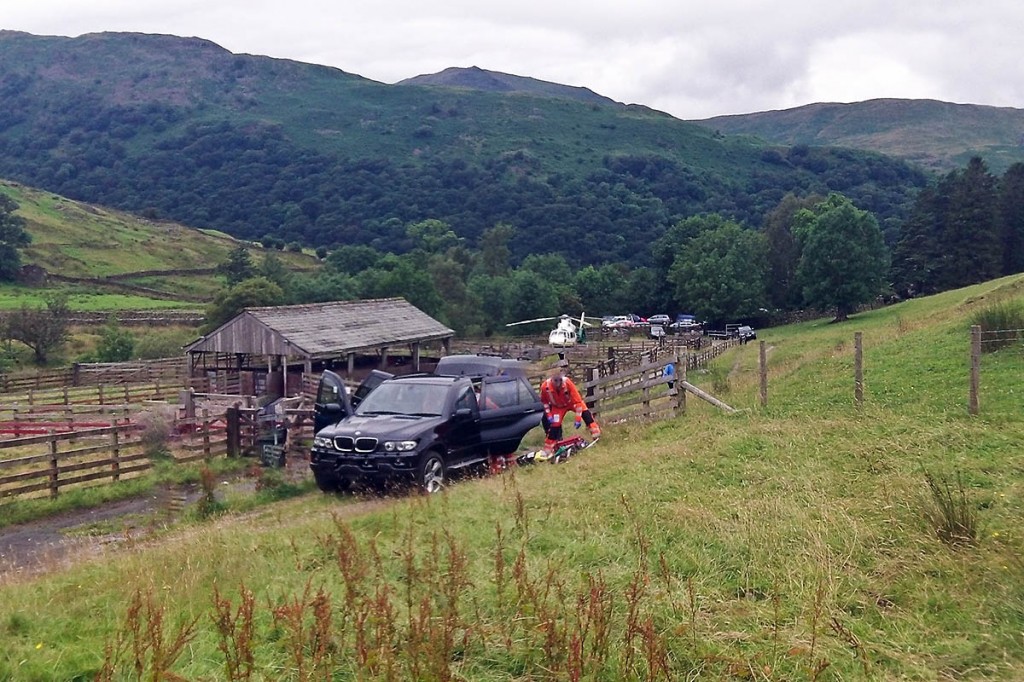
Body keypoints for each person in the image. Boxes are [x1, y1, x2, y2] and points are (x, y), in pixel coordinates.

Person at [537, 369, 600, 459]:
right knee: (555, 426)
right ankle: (548, 449)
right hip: (557, 407)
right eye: (556, 380)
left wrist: (578, 419)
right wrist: (549, 415)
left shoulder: (567, 383)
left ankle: (596, 435)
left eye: (560, 380)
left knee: (586, 414)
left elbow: (578, 402)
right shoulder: (545, 387)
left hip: (572, 403)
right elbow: (545, 403)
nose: (558, 383)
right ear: (551, 379)